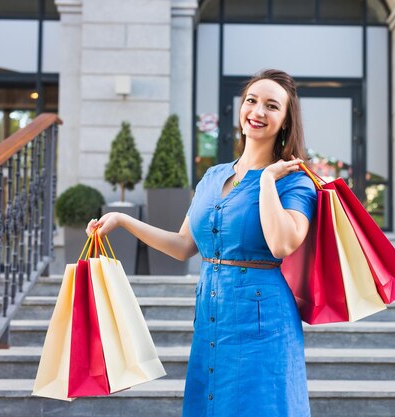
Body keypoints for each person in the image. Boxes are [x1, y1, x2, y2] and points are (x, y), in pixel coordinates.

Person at [86, 69, 317, 417]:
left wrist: (268, 180)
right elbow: (183, 246)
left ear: (285, 121)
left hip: (263, 320)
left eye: (272, 106)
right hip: (213, 314)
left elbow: (283, 244)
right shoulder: (213, 176)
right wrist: (122, 220)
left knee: (260, 407)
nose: (257, 111)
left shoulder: (295, 182)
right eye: (251, 101)